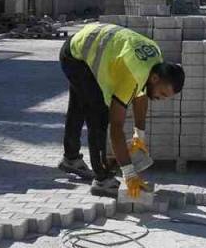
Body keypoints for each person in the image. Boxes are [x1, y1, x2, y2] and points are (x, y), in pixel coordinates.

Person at [57, 22, 186, 197]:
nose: (161, 99)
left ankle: (71, 158)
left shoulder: (156, 61)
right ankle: (102, 180)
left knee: (80, 103)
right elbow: (116, 127)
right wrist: (129, 173)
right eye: (162, 94)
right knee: (98, 114)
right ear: (155, 78)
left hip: (87, 43)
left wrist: (139, 134)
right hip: (76, 57)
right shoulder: (134, 76)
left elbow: (140, 95)